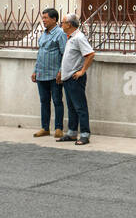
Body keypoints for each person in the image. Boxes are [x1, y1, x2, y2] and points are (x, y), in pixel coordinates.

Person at [56, 12, 95, 145]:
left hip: (75, 78)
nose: (61, 24)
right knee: (72, 107)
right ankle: (72, 133)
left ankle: (85, 134)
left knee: (80, 107)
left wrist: (82, 71)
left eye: (63, 22)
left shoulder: (79, 37)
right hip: (67, 78)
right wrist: (62, 72)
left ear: (70, 24)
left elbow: (90, 54)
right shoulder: (70, 37)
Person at [30, 8, 66, 138]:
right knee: (44, 101)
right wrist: (35, 71)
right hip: (41, 74)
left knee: (57, 101)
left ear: (54, 19)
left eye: (46, 18)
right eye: (43, 18)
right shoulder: (44, 34)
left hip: (54, 75)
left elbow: (65, 54)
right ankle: (45, 128)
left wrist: (61, 72)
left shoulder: (60, 34)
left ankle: (58, 128)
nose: (43, 20)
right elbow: (40, 54)